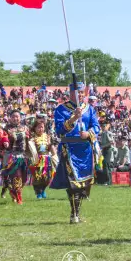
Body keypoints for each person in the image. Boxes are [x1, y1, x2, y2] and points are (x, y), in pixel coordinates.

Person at [50, 82, 101, 224]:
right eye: (76, 91)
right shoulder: (61, 109)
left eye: (81, 91)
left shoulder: (89, 109)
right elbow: (59, 130)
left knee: (83, 183)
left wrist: (89, 133)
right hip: (69, 148)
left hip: (85, 150)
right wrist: (73, 118)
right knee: (73, 183)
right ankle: (74, 214)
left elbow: (96, 127)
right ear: (71, 92)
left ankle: (77, 211)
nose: (79, 94)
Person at [1, 110, 30, 204]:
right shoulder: (6, 129)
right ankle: (18, 198)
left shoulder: (25, 128)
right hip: (11, 156)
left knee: (24, 178)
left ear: (20, 118)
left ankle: (14, 192)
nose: (15, 118)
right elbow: (2, 142)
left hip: (23, 156)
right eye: (13, 116)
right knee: (16, 176)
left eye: (17, 116)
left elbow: (29, 141)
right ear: (10, 118)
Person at [28, 118, 56, 199]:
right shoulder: (32, 138)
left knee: (48, 177)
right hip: (37, 160)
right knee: (38, 177)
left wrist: (53, 153)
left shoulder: (47, 136)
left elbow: (51, 147)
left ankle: (43, 189)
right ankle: (38, 192)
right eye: (39, 127)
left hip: (47, 159)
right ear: (35, 128)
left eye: (42, 127)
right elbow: (31, 150)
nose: (41, 129)